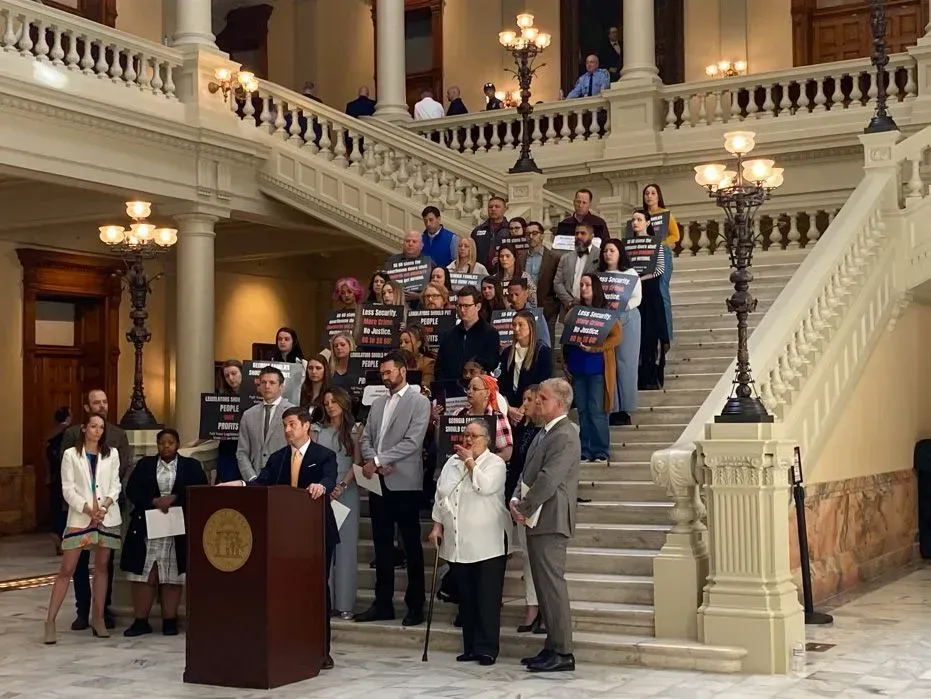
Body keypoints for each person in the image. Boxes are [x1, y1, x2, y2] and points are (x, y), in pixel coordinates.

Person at [223, 406, 338, 670]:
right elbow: (261, 482)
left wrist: (322, 486)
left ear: (306, 425)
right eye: (284, 425)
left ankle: (322, 650)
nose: (287, 430)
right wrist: (239, 485)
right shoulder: (278, 458)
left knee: (317, 590)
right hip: (285, 536)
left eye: (292, 424)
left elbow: (329, 479)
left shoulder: (324, 455)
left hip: (317, 533)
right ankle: (289, 645)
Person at [355, 350, 431, 626]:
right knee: (382, 545)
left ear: (402, 370)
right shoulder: (377, 404)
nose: (385, 377)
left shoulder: (419, 402)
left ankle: (415, 605)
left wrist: (378, 460)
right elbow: (366, 438)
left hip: (405, 482)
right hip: (379, 482)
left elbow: (413, 441)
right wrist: (373, 461)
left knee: (411, 545)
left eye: (388, 372)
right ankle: (383, 603)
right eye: (382, 373)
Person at [510, 378, 581, 673]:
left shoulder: (565, 434)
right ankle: (552, 645)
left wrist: (524, 508)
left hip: (550, 518)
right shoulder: (545, 432)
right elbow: (528, 473)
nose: (537, 402)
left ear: (559, 403)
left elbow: (549, 479)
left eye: (543, 398)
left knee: (552, 586)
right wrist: (516, 497)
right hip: (535, 515)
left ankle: (563, 651)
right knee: (542, 585)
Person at [429, 419, 509, 666]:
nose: (467, 440)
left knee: (487, 598)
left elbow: (486, 487)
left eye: (474, 436)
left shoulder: (495, 464)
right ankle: (471, 646)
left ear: (486, 440)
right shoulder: (451, 463)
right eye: (465, 435)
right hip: (458, 542)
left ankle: (487, 648)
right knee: (467, 598)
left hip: (487, 544)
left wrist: (470, 462)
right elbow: (441, 495)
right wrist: (437, 524)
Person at [121, 428, 207, 637]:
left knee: (172, 575)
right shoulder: (145, 465)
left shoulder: (191, 466)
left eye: (170, 443)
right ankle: (141, 620)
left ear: (177, 444)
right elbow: (131, 490)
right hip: (147, 526)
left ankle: (170, 620)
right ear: (157, 445)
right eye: (162, 443)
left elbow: (200, 490)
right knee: (145, 573)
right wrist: (153, 501)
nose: (166, 446)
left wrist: (175, 499)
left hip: (177, 528)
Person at [45, 412, 122, 643]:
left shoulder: (112, 454)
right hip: (81, 518)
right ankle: (50, 621)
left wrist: (105, 506)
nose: (97, 431)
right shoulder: (71, 454)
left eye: (101, 427)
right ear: (84, 428)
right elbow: (68, 489)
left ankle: (97, 618)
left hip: (107, 517)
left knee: (102, 567)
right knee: (67, 569)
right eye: (93, 426)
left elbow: (115, 485)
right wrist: (89, 510)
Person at [59, 389, 132, 631]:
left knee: (105, 564)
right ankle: (82, 610)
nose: (101, 406)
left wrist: (105, 504)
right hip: (79, 509)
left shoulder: (119, 435)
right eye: (96, 403)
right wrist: (86, 505)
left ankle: (103, 611)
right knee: (77, 563)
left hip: (107, 510)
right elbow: (68, 471)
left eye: (104, 402)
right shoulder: (72, 434)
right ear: (87, 407)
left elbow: (123, 470)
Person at [314, 387, 362, 621]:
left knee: (346, 548)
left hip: (346, 491)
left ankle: (345, 603)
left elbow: (357, 463)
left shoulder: (354, 431)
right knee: (325, 548)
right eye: (326, 402)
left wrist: (341, 486)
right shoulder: (317, 431)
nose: (330, 406)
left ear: (343, 403)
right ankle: (326, 601)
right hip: (323, 491)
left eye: (334, 401)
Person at [563, 274, 620, 463]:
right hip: (578, 368)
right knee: (583, 412)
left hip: (598, 368)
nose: (584, 287)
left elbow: (616, 337)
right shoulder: (575, 310)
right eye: (581, 284)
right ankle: (585, 450)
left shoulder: (606, 310)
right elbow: (567, 337)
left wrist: (596, 347)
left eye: (587, 284)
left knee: (597, 410)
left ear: (595, 287)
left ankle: (601, 450)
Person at [508, 386, 543, 633]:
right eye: (524, 399)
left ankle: (539, 606)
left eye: (531, 399)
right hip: (517, 496)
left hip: (537, 502)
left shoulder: (545, 433)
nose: (526, 404)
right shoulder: (522, 430)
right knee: (527, 557)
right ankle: (532, 604)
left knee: (538, 559)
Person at [599, 239, 642, 426]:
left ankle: (625, 408)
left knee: (627, 363)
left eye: (612, 250)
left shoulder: (630, 273)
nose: (608, 254)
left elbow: (637, 297)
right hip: (605, 319)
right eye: (605, 250)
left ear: (619, 253)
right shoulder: (599, 276)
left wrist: (622, 309)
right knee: (609, 363)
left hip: (628, 317)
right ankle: (612, 406)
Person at [628, 209, 668, 390]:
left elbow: (659, 269)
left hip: (650, 294)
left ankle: (651, 377)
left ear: (648, 222)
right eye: (633, 220)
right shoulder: (627, 245)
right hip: (632, 294)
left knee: (650, 337)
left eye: (639, 219)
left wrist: (639, 279)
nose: (635, 223)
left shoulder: (656, 243)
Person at [236, 366, 295, 482]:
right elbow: (242, 452)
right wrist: (251, 478)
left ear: (281, 386)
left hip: (284, 480)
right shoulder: (248, 415)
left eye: (272, 383)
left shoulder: (293, 412)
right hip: (255, 479)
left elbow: (298, 449)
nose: (267, 386)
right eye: (263, 382)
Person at [435, 284, 501, 380]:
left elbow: (491, 365)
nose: (462, 310)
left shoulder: (490, 333)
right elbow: (440, 367)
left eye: (466, 306)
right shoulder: (449, 335)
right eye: (459, 305)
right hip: (451, 389)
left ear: (478, 306)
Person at [498, 310, 553, 420]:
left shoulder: (542, 352)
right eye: (514, 325)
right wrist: (508, 408)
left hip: (532, 409)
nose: (516, 329)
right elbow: (502, 382)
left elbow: (541, 383)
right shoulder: (507, 352)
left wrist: (523, 409)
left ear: (531, 327)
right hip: (509, 407)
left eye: (521, 325)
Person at [643, 183, 679, 343]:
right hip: (644, 255)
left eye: (653, 193)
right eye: (647, 193)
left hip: (662, 254)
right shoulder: (641, 216)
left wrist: (661, 243)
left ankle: (667, 336)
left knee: (662, 292)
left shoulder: (666, 215)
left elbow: (675, 236)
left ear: (658, 196)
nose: (649, 196)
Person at [458, 374, 513, 462]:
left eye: (474, 389)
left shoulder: (498, 417)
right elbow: (443, 446)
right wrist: (438, 424)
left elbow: (506, 454)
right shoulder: (459, 413)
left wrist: (476, 461)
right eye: (468, 388)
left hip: (486, 469)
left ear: (487, 393)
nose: (469, 391)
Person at [553, 222, 600, 315]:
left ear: (592, 236)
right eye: (576, 233)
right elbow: (557, 282)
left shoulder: (600, 256)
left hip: (593, 310)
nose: (578, 236)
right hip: (568, 310)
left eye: (583, 233)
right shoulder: (565, 257)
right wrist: (569, 302)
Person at [524, 221, 561, 336]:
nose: (531, 237)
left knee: (546, 343)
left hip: (547, 309)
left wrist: (554, 306)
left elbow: (558, 283)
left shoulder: (554, 257)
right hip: (525, 307)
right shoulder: (520, 257)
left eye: (534, 233)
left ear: (542, 235)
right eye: (528, 234)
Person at [45, 406, 72, 553]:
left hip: (53, 477)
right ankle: (61, 536)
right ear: (68, 417)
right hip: (63, 476)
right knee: (63, 508)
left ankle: (57, 534)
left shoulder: (51, 434)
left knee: (55, 506)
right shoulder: (67, 433)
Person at [386, 231, 435, 306]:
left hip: (420, 306)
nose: (410, 244)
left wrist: (418, 296)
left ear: (421, 246)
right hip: (395, 305)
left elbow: (436, 290)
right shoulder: (392, 260)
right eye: (407, 241)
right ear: (403, 243)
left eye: (414, 241)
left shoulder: (429, 263)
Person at [216, 359, 244, 484]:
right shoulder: (221, 397)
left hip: (247, 444)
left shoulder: (255, 395)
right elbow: (214, 426)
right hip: (228, 446)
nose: (231, 378)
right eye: (227, 375)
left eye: (234, 373)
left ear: (242, 373)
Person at [507, 278, 551, 347]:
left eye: (517, 294)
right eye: (511, 295)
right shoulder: (504, 315)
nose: (514, 299)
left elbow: (545, 343)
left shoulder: (536, 315)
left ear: (526, 293)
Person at [471, 196, 509, 270]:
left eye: (497, 206)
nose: (493, 209)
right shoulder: (477, 230)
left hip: (503, 272)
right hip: (481, 273)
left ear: (505, 209)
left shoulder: (510, 230)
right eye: (490, 207)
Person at [399, 324, 436, 389]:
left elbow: (426, 387)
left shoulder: (428, 363)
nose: (402, 345)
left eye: (407, 342)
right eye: (401, 342)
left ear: (418, 344)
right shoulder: (397, 363)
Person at [301, 354, 331, 423]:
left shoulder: (331, 393)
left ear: (325, 370)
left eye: (318, 368)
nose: (314, 372)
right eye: (310, 368)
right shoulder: (301, 392)